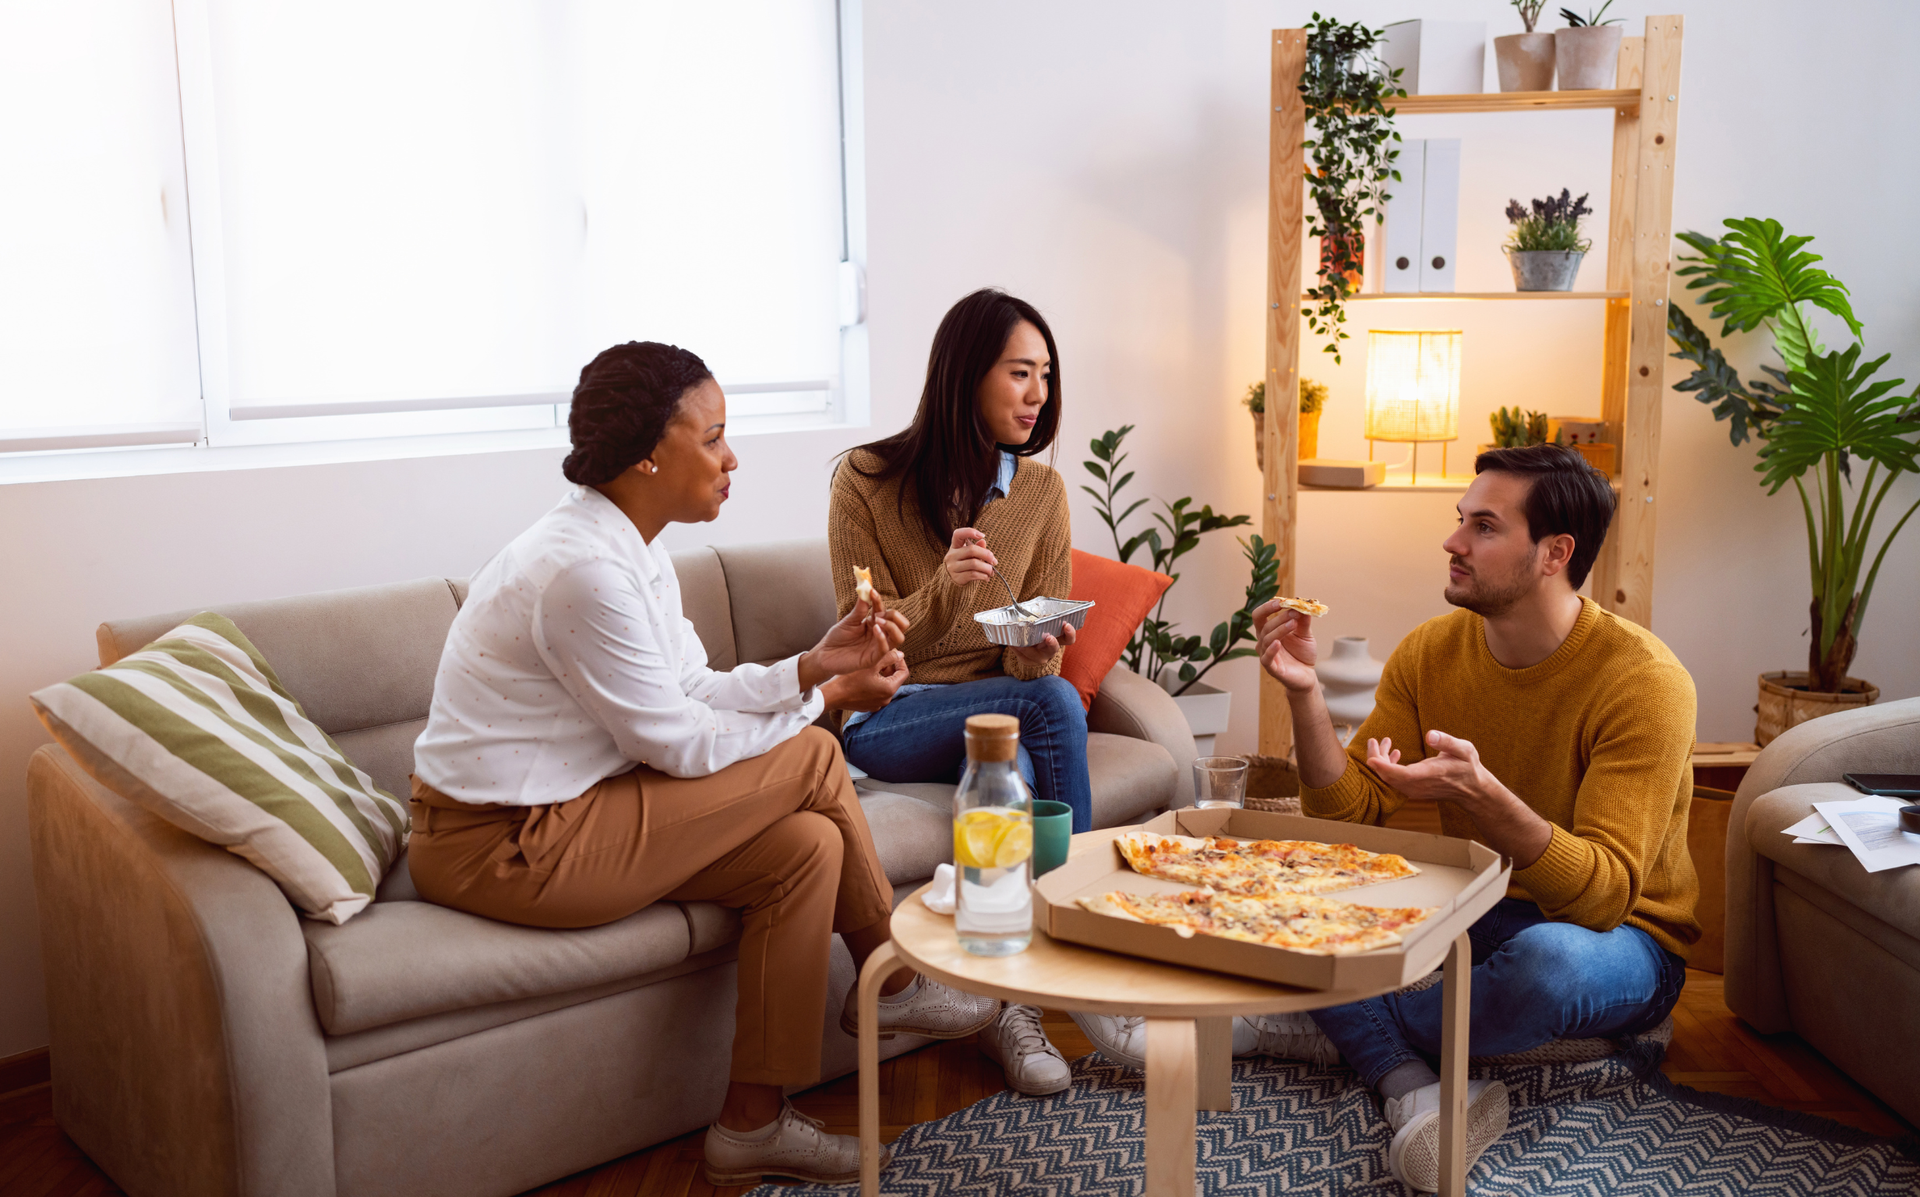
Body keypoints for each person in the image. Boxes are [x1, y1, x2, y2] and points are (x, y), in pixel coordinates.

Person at [409, 341, 1003, 1188]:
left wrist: (810, 666)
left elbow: (693, 687)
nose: (733, 457)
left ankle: (752, 1124)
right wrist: (827, 702)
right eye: (715, 436)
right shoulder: (582, 570)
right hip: (502, 843)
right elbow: (679, 745)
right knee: (807, 756)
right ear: (650, 451)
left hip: (572, 809)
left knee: (807, 848)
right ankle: (894, 974)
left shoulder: (633, 545)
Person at [1244, 443, 1698, 1192]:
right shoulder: (1430, 650)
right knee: (1292, 887)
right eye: (1460, 520)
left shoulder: (1645, 683)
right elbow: (1349, 810)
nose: (1453, 542)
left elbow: (1605, 894)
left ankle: (1302, 1024)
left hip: (1620, 939)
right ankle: (1409, 1081)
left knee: (1548, 965)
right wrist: (1305, 693)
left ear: (1555, 552)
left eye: (1483, 527)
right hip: (1468, 910)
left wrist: (1482, 798)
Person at [826, 288, 1094, 1093]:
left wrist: (1037, 646)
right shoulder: (864, 480)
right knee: (1053, 710)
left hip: (999, 709)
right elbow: (862, 642)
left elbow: (1025, 669)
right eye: (1020, 372)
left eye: (1045, 374)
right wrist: (944, 590)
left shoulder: (1042, 493)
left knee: (1020, 764)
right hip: (890, 714)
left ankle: (1013, 1004)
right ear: (966, 376)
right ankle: (1076, 946)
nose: (1038, 392)